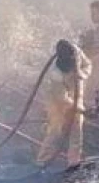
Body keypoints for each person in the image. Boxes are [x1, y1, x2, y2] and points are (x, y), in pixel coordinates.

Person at [36, 39, 91, 169]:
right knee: (56, 128)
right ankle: (42, 160)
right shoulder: (56, 73)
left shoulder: (77, 52)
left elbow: (88, 64)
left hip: (76, 93)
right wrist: (80, 109)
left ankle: (73, 162)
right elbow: (62, 98)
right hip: (56, 100)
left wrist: (82, 74)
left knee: (76, 127)